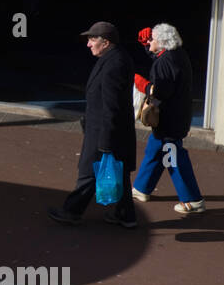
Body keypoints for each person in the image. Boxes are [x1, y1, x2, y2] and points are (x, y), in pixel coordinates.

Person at [48, 21, 138, 228]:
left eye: (92, 39)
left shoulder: (114, 64)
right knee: (119, 170)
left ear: (105, 42)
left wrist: (105, 140)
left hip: (104, 130)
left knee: (89, 172)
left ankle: (71, 211)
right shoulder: (114, 58)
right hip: (112, 129)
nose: (88, 44)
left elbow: (111, 105)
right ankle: (126, 214)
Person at [132, 23, 205, 215]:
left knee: (173, 158)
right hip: (178, 116)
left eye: (152, 40)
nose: (150, 42)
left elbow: (160, 92)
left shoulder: (164, 62)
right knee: (155, 150)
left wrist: (143, 85)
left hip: (169, 119)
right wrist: (146, 44)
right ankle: (141, 188)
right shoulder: (176, 54)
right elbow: (159, 58)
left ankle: (192, 200)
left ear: (162, 42)